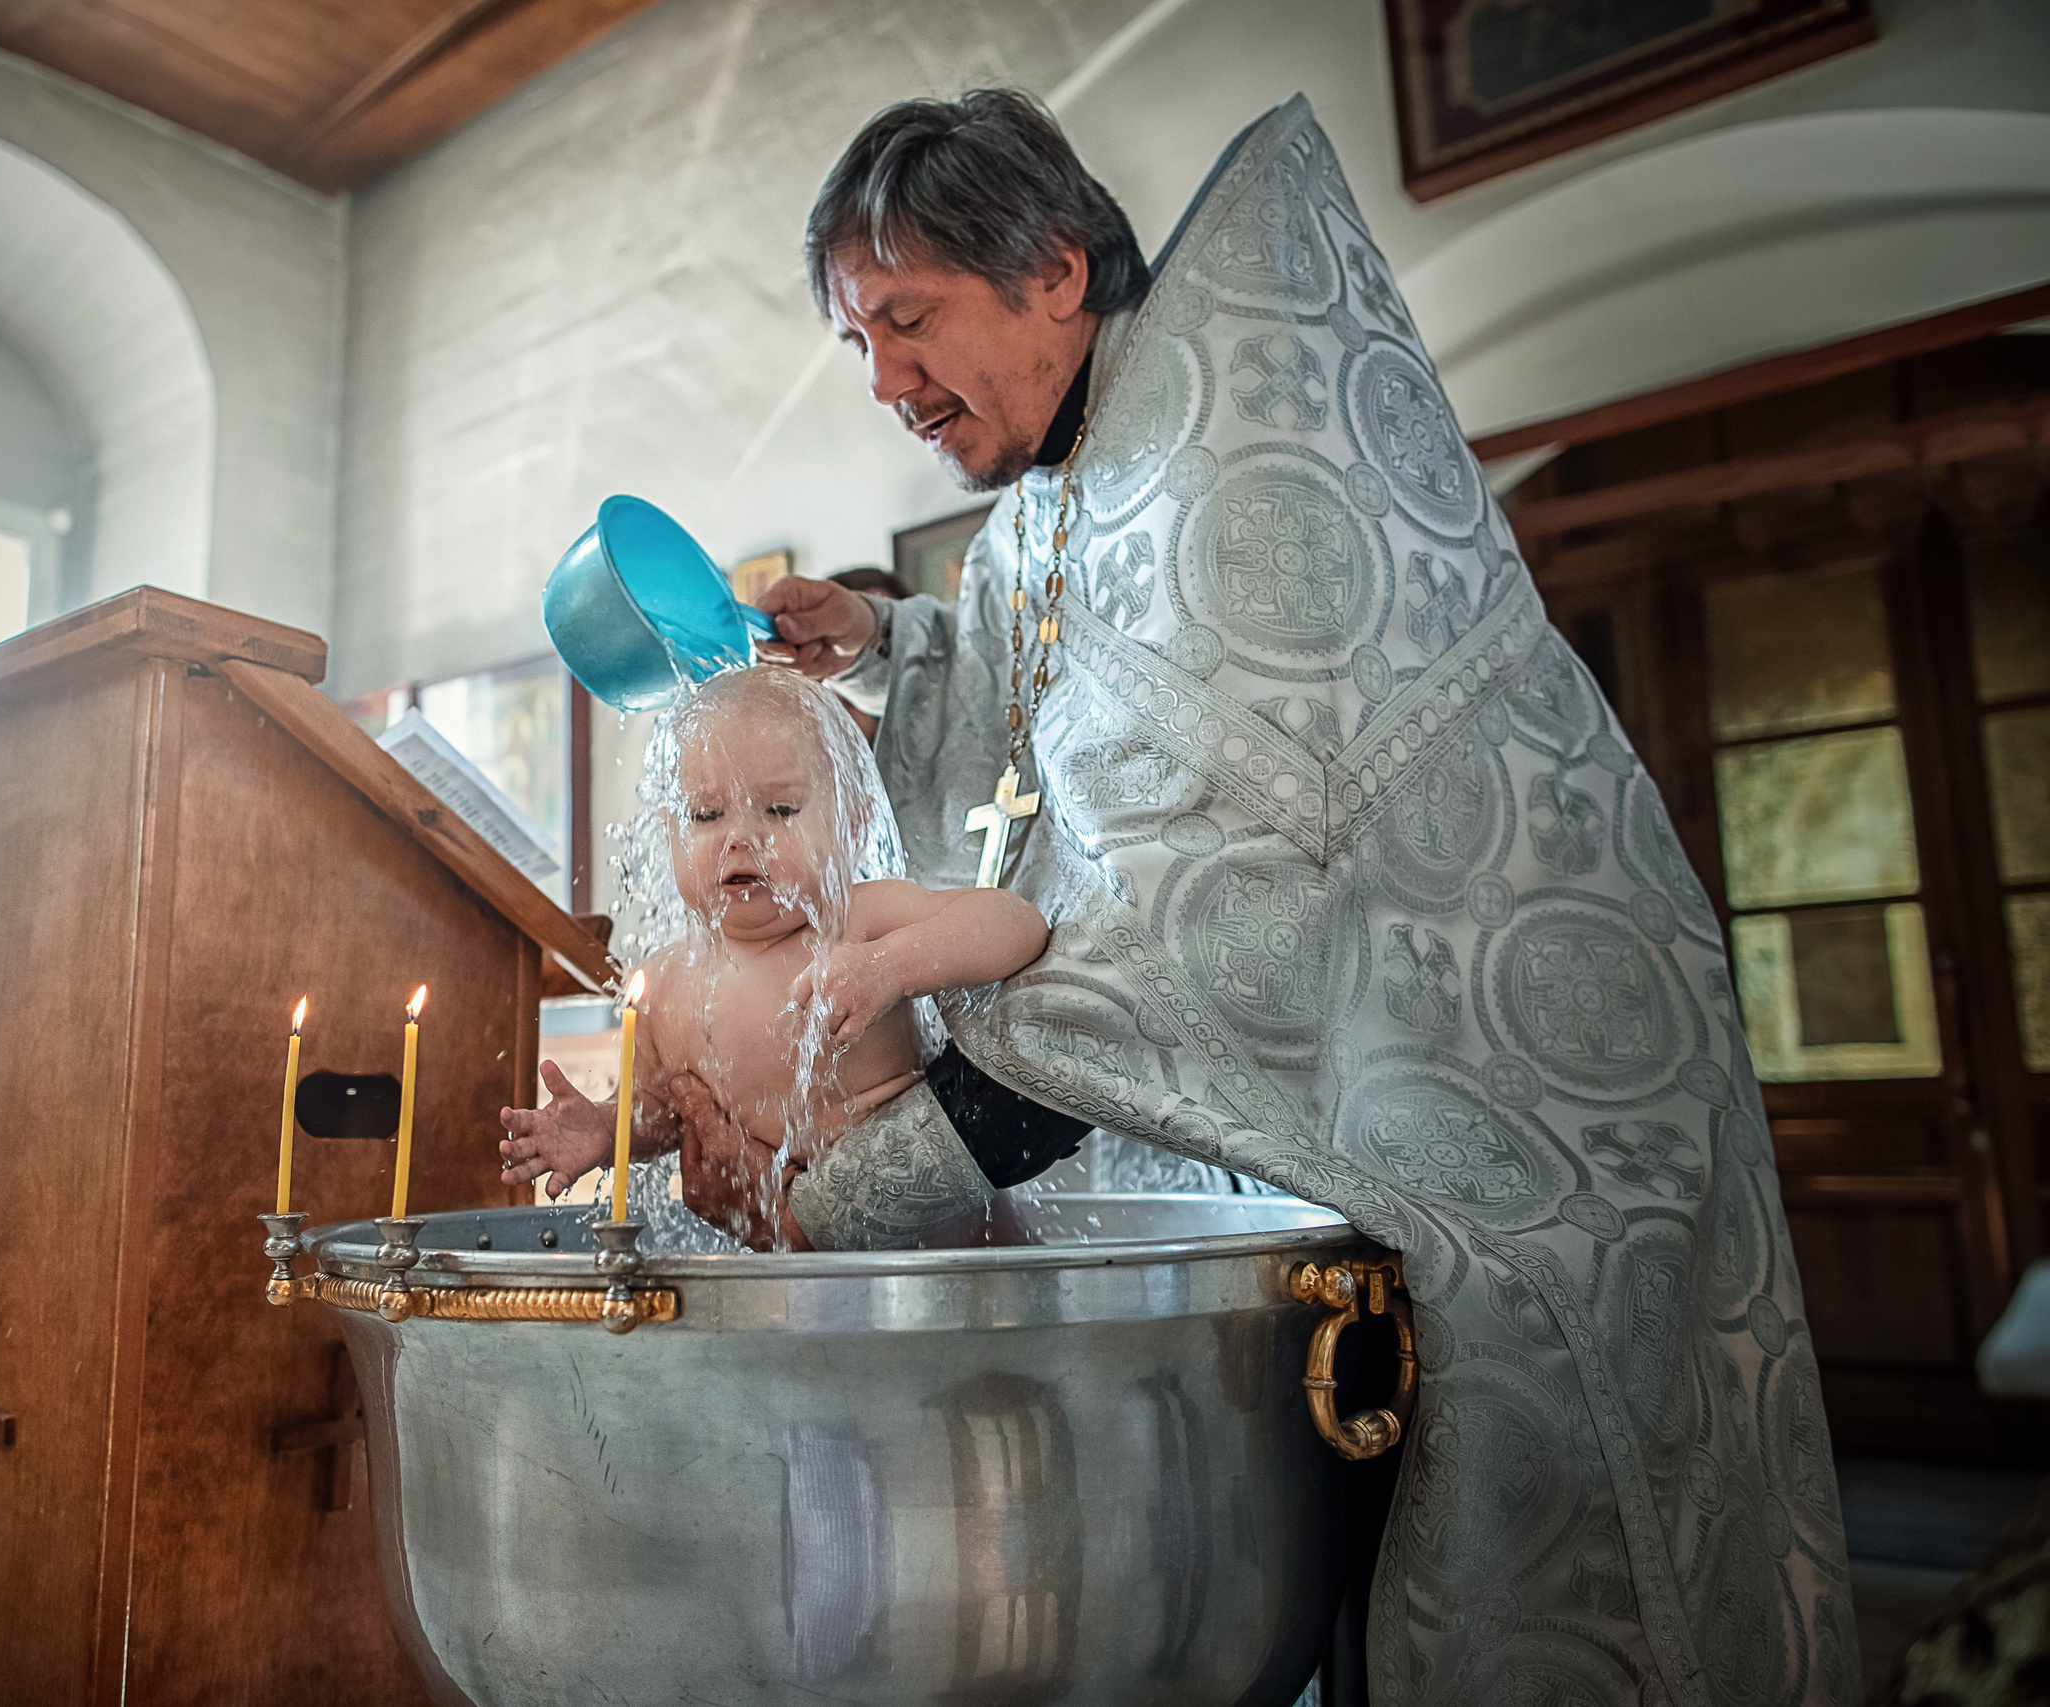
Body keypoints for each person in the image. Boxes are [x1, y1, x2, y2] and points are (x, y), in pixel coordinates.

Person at [666, 88, 1856, 1707]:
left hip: (1504, 1134)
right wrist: (885, 644)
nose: (883, 383)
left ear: (1057, 272)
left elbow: (1181, 928)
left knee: (1547, 1586)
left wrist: (844, 1205)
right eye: (857, 343)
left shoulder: (1242, 466)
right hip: (1321, 1137)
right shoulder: (1054, 499)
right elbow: (1039, 720)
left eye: (906, 322)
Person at [495, 667, 1048, 1249]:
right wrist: (607, 1129)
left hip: (941, 1239)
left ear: (852, 823)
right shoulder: (666, 982)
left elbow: (1017, 925)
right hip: (795, 1269)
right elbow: (663, 1111)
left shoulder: (859, 922)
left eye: (780, 810)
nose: (740, 838)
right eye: (705, 815)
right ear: (670, 832)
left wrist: (891, 967)